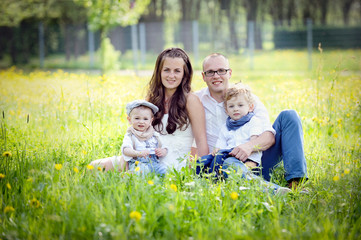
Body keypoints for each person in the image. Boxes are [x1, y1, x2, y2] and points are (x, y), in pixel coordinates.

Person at [196, 53, 307, 188]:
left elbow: (269, 136)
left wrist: (248, 147)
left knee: (289, 116)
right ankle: (269, 189)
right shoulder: (196, 101)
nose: (216, 76)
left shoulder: (247, 99)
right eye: (210, 72)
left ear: (229, 73)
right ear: (203, 76)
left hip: (258, 159)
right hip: (226, 163)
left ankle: (296, 182)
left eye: (221, 71)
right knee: (230, 164)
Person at [90, 48, 208, 172]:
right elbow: (134, 135)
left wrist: (197, 170)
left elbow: (201, 140)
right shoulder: (152, 100)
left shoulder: (191, 100)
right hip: (147, 158)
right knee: (93, 166)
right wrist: (127, 160)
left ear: (184, 73)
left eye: (177, 71)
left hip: (177, 164)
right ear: (159, 72)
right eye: (166, 70)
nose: (171, 76)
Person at [196, 82, 263, 176]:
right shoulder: (226, 126)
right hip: (226, 155)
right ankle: (201, 180)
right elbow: (221, 144)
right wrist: (217, 150)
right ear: (226, 110)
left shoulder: (253, 122)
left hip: (245, 159)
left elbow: (254, 145)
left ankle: (216, 178)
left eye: (240, 105)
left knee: (230, 163)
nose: (235, 109)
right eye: (231, 106)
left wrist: (252, 162)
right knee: (203, 161)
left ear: (250, 107)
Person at [122, 100, 168, 175]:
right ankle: (130, 175)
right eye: (137, 118)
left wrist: (163, 151)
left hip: (154, 163)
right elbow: (125, 150)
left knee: (165, 171)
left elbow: (164, 146)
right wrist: (138, 153)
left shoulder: (154, 134)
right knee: (141, 172)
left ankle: (160, 184)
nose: (141, 122)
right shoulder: (130, 135)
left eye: (145, 119)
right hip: (139, 163)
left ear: (151, 120)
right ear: (129, 120)